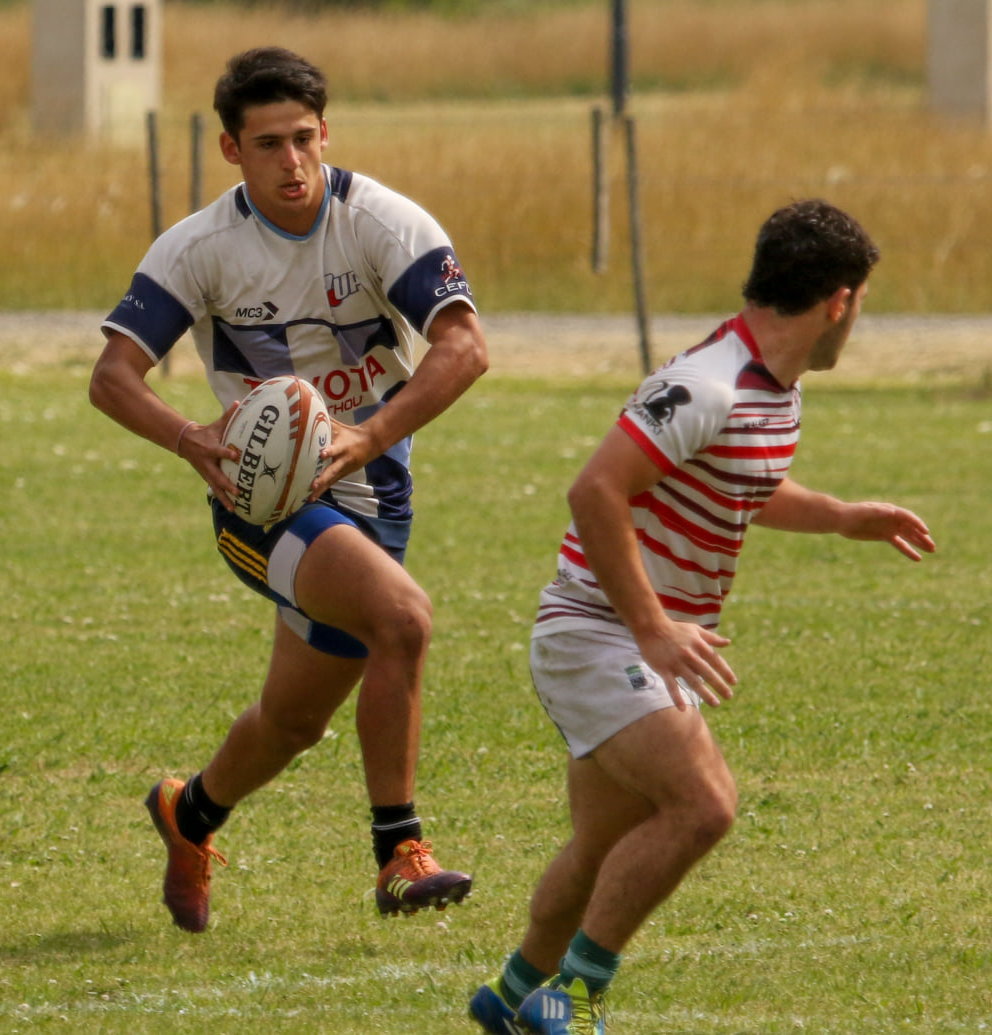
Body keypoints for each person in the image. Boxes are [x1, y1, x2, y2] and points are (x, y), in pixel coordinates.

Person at [467, 199, 934, 1034]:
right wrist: (652, 627)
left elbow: (743, 481)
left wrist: (841, 516)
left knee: (603, 846)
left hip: (625, 635)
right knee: (704, 804)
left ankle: (508, 996)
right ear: (839, 301)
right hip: (597, 631)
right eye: (861, 303)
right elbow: (595, 489)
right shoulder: (707, 384)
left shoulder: (772, 389)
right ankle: (572, 995)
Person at [90, 46, 488, 932]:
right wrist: (191, 438)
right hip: (262, 504)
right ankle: (399, 853)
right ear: (231, 150)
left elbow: (465, 347)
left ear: (326, 133)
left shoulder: (381, 222)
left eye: (304, 138)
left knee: (293, 721)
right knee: (404, 619)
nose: (292, 161)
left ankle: (189, 813)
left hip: (374, 495)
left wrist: (370, 435)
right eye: (268, 144)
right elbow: (112, 377)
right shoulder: (200, 248)